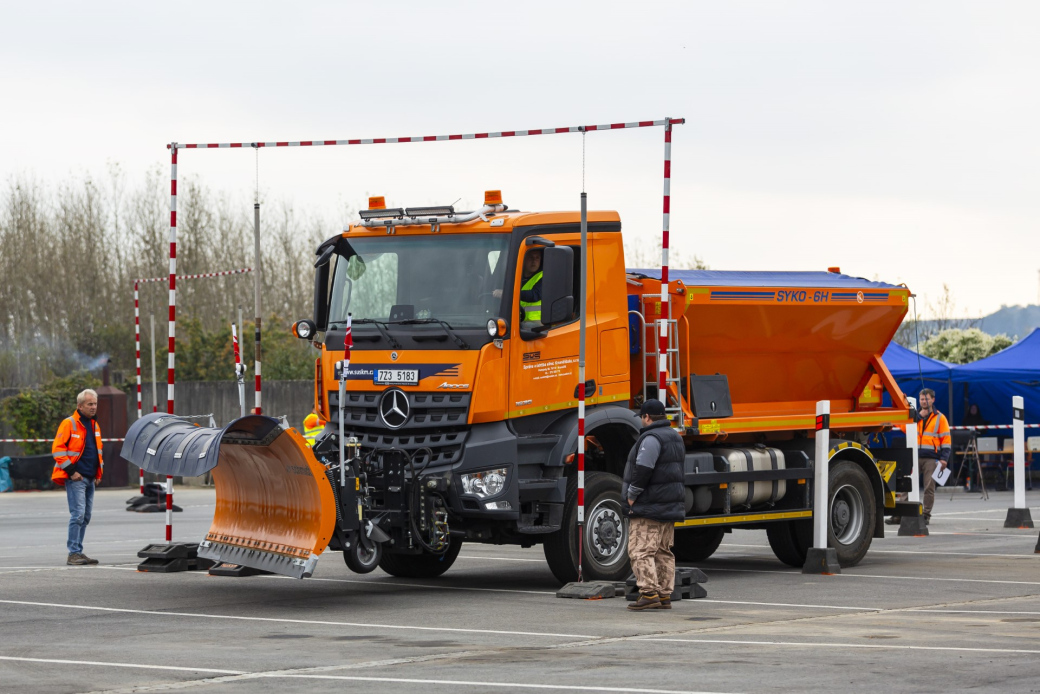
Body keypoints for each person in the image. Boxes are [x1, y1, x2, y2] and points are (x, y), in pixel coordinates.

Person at [622, 399, 685, 610]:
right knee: (662, 551)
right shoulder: (675, 437)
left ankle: (648, 594)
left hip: (649, 505)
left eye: (642, 417)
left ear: (647, 417)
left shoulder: (650, 438)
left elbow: (643, 469)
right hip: (668, 505)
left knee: (639, 550)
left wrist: (632, 495)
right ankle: (664, 595)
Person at [51, 389, 104, 565]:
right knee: (78, 515)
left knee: (86, 516)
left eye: (95, 403)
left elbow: (97, 453)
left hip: (90, 478)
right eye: (90, 404)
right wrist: (72, 472)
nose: (93, 407)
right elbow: (58, 450)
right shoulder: (69, 423)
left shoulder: (95, 425)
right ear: (79, 406)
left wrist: (98, 473)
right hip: (76, 478)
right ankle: (73, 553)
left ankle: (78, 552)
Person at [886, 388, 951, 526]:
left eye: (926, 399)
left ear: (933, 399)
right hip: (913, 456)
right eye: (922, 399)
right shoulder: (914, 416)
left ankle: (926, 515)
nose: (924, 401)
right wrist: (894, 407)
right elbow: (901, 424)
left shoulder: (940, 418)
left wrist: (944, 459)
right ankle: (899, 515)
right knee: (906, 486)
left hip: (931, 459)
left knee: (929, 487)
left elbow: (946, 440)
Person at [492, 249, 542, 321]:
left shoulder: (544, 276)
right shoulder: (513, 276)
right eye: (530, 257)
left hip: (536, 325)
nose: (534, 261)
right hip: (517, 322)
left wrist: (506, 294)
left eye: (537, 258)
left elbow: (535, 295)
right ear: (523, 259)